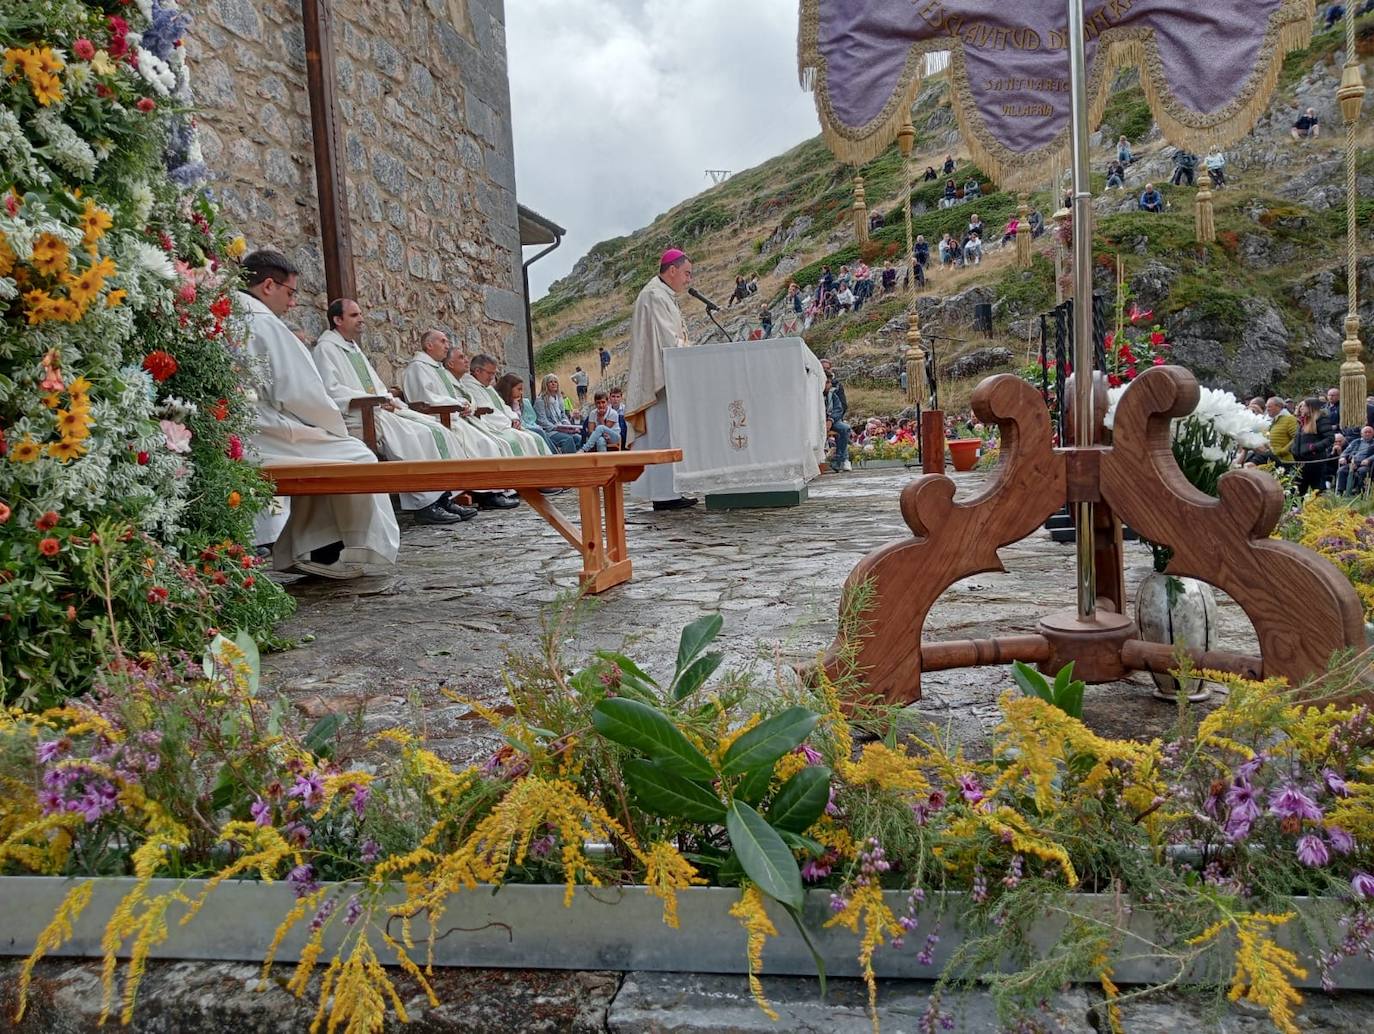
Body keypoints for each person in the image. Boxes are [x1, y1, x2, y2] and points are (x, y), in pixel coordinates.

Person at [236, 249, 399, 579]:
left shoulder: (225, 310)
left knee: (324, 451)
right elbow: (301, 394)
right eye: (291, 293)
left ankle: (313, 545)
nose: (293, 303)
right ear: (269, 285)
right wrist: (333, 426)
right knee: (355, 456)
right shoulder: (266, 324)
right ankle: (341, 549)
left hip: (242, 427)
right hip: (260, 432)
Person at [314, 300, 481, 526]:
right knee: (417, 436)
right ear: (338, 320)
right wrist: (377, 401)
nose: (362, 319)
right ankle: (425, 504)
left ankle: (443, 496)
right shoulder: (326, 348)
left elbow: (375, 384)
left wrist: (389, 399)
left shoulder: (353, 347)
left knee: (435, 430)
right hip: (359, 416)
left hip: (379, 410)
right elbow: (331, 389)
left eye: (361, 314)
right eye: (355, 315)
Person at [624, 247, 696, 511]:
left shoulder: (662, 294)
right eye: (687, 273)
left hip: (664, 375)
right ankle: (664, 496)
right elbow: (668, 339)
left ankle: (669, 492)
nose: (689, 279)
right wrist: (688, 352)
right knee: (662, 435)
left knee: (667, 435)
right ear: (672, 270)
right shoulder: (654, 295)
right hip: (658, 380)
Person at [455, 354, 552, 455]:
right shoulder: (470, 386)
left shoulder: (488, 388)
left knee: (536, 438)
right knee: (522, 440)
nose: (492, 377)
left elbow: (503, 407)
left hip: (505, 425)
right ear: (477, 371)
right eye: (489, 373)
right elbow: (488, 412)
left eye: (493, 374)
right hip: (494, 428)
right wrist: (509, 422)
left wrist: (514, 418)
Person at [1293, 397, 1336, 494]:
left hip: (1315, 461)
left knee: (1317, 489)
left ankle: (1319, 508)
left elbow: (1330, 438)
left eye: (1304, 406)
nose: (1301, 408)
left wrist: (1313, 447)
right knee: (1298, 489)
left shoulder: (1321, 420)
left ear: (1311, 407)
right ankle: (1296, 509)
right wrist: (1293, 449)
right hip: (1300, 461)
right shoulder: (1302, 421)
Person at [532, 374, 582, 453]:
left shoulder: (559, 398)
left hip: (561, 428)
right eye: (550, 382)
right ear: (545, 384)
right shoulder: (540, 400)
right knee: (567, 439)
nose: (553, 383)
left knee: (579, 438)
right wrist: (557, 428)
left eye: (555, 382)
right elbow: (542, 421)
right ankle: (569, 464)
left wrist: (567, 426)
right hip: (549, 431)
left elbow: (563, 415)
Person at [824, 372, 851, 472]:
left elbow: (838, 409)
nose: (829, 385)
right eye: (827, 382)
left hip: (831, 420)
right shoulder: (814, 395)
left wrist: (831, 419)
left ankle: (840, 459)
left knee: (844, 428)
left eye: (830, 383)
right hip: (818, 421)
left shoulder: (832, 394)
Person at [1337, 425, 1374, 495]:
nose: (1368, 434)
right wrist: (1342, 457)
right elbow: (1346, 451)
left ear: (1373, 434)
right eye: (1365, 432)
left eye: (1370, 432)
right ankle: (1340, 491)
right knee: (1341, 470)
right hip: (1353, 462)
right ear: (1361, 434)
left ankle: (1359, 491)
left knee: (1362, 471)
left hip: (1366, 464)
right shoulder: (1356, 442)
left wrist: (1369, 459)